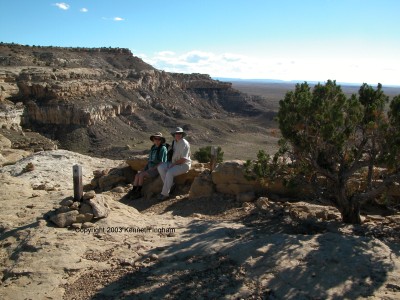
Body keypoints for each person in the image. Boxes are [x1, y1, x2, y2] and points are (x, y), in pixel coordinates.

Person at [157, 127, 191, 201]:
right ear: (174, 135)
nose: (178, 135)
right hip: (174, 163)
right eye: (176, 133)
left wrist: (173, 164)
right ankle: (171, 185)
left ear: (182, 135)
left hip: (184, 165)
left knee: (169, 172)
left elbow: (184, 159)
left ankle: (165, 194)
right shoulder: (175, 142)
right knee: (160, 167)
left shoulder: (185, 144)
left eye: (180, 133)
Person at [130, 132, 167, 199]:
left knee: (141, 175)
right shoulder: (153, 148)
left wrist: (153, 168)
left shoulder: (163, 148)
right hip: (150, 168)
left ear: (161, 140)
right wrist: (145, 168)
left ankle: (139, 192)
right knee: (137, 175)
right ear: (153, 139)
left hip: (156, 169)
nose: (157, 140)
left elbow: (163, 161)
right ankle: (133, 190)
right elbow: (150, 160)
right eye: (155, 138)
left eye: (159, 139)